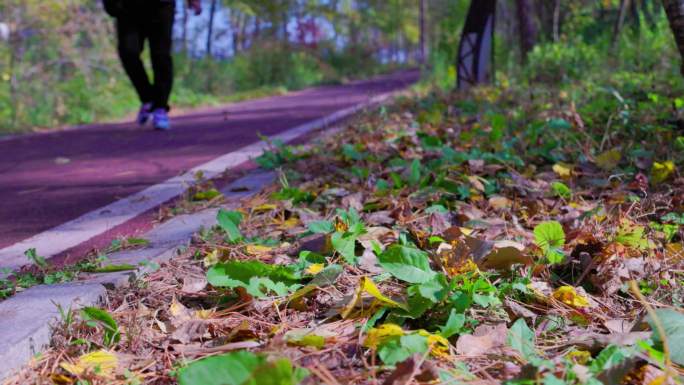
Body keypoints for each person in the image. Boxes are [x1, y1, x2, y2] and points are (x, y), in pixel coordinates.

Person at [103, 0, 202, 130]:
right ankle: (148, 98)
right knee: (128, 52)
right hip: (128, 8)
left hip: (161, 6)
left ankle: (160, 107)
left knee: (161, 56)